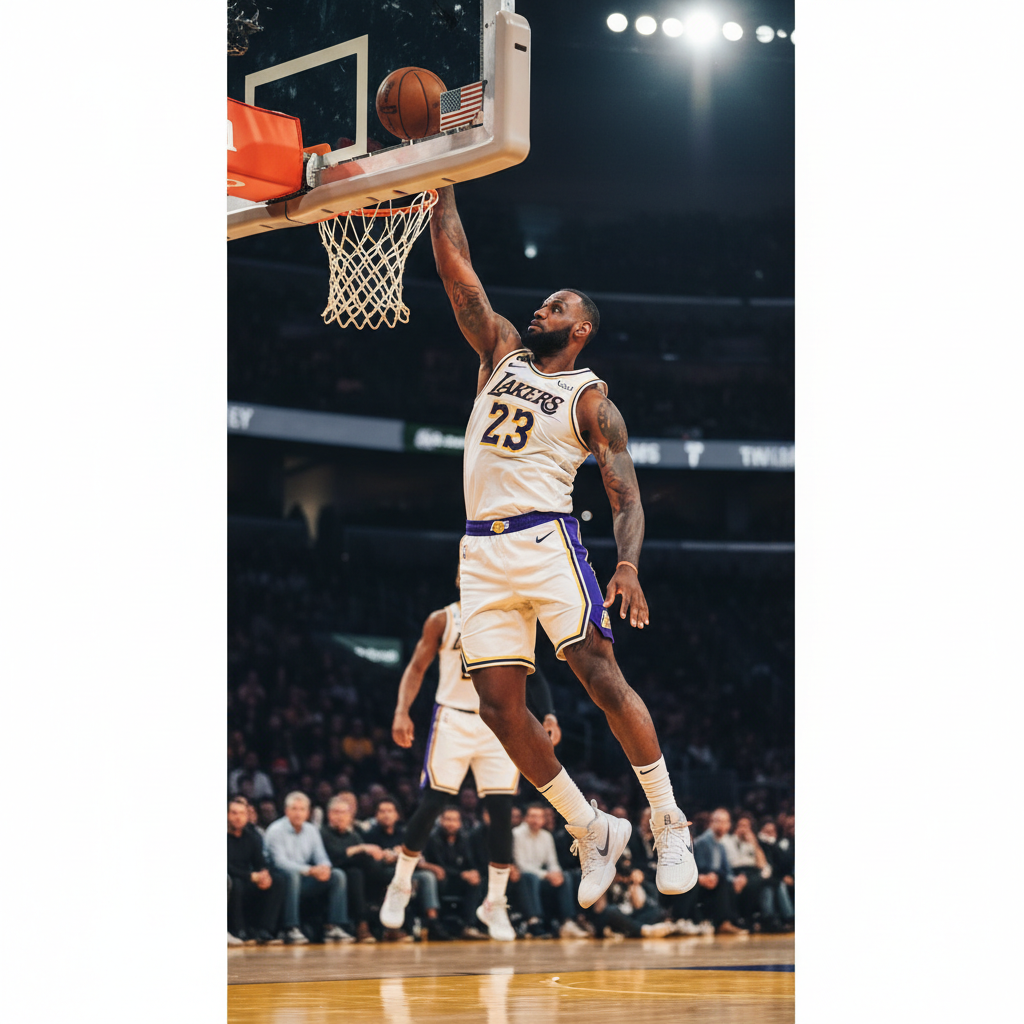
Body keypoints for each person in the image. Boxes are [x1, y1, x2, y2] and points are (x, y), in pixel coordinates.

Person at [429, 186, 697, 909]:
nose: (541, 311)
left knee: (597, 674)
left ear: (580, 330)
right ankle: (591, 827)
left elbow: (626, 495)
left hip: (546, 538)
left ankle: (667, 818)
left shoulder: (590, 401)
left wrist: (629, 564)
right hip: (479, 551)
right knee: (497, 708)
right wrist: (439, 185)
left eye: (556, 308)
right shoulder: (500, 351)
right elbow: (460, 274)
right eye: (542, 305)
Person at [381, 583, 561, 942]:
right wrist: (402, 711)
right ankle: (400, 882)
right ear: (461, 576)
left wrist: (550, 714)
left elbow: (533, 674)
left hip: (501, 720)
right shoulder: (443, 619)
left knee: (501, 812)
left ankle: (494, 902)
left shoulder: (511, 619)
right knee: (433, 802)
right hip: (454, 719)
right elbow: (417, 668)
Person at [263, 791, 355, 944]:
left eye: (302, 809)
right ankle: (290, 928)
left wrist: (324, 868)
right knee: (293, 876)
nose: (298, 813)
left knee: (337, 875)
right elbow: (279, 862)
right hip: (281, 880)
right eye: (294, 809)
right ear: (286, 811)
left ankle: (334, 927)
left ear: (308, 812)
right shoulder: (275, 830)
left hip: (306, 879)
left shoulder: (311, 830)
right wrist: (310, 870)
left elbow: (321, 856)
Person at [512, 803, 588, 938]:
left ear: (543, 820)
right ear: (526, 818)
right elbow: (521, 865)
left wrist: (556, 874)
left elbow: (553, 863)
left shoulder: (547, 836)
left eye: (539, 817)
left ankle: (568, 922)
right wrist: (547, 874)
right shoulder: (517, 834)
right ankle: (534, 922)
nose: (536, 820)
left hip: (541, 878)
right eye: (532, 816)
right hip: (524, 879)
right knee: (530, 877)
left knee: (565, 876)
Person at [320, 792, 381, 942]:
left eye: (344, 813)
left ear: (350, 816)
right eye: (336, 812)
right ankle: (362, 924)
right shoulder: (323, 833)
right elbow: (333, 857)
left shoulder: (353, 835)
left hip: (358, 876)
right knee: (355, 874)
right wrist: (359, 849)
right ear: (328, 814)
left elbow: (364, 852)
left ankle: (389, 924)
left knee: (376, 871)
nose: (340, 816)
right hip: (332, 874)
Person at [421, 807, 486, 938]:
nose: (451, 823)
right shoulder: (433, 838)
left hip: (458, 878)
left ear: (460, 823)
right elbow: (440, 866)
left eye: (454, 820)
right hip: (442, 878)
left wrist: (473, 872)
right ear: (441, 821)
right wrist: (462, 874)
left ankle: (470, 925)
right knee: (440, 880)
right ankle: (437, 925)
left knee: (478, 882)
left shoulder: (464, 838)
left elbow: (470, 861)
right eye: (447, 819)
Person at [227, 796, 284, 945]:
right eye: (234, 813)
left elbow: (260, 861)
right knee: (236, 884)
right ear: (227, 815)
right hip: (234, 878)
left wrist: (265, 874)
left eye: (242, 813)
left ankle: (265, 930)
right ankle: (239, 931)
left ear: (248, 816)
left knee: (277, 880)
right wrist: (250, 876)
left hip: (250, 878)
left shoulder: (252, 835)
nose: (238, 817)